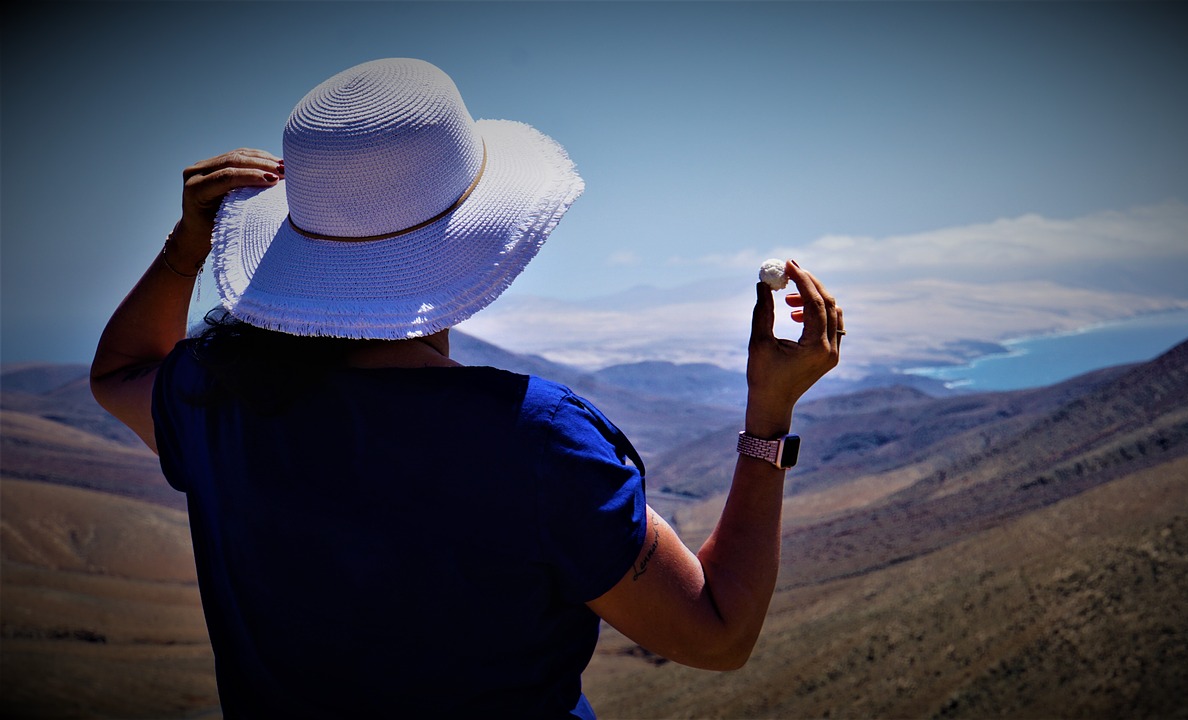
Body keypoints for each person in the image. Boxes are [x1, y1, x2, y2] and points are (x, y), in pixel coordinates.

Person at [91, 58, 842, 718]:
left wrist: (185, 249)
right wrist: (769, 413)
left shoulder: (216, 396)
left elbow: (119, 371)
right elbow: (718, 630)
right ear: (469, 233)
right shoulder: (537, 441)